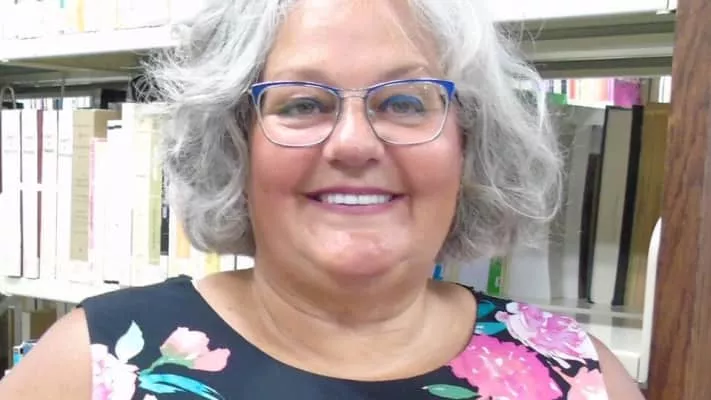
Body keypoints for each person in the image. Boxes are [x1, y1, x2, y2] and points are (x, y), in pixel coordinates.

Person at [0, 0, 645, 399]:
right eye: (303, 104)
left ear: (469, 144)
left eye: (404, 102)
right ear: (236, 144)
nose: (355, 144)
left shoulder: (578, 374)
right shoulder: (92, 365)